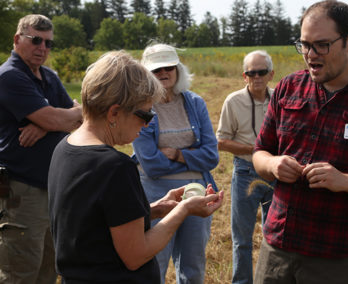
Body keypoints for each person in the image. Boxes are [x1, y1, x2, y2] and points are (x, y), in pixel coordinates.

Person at [252, 1, 348, 283]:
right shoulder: (288, 88)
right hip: (276, 252)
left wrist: (345, 181)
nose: (310, 55)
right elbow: (260, 152)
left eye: (321, 45)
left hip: (335, 260)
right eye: (304, 45)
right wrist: (273, 164)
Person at [47, 50, 224, 284]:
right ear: (114, 113)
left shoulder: (65, 147)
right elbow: (135, 255)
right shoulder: (115, 167)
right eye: (145, 114)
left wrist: (158, 209)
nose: (149, 122)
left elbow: (100, 222)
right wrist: (184, 210)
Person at [0, 14, 82, 283]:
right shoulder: (10, 76)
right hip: (21, 191)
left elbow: (81, 115)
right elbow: (65, 117)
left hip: (53, 187)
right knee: (20, 270)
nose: (43, 48)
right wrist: (51, 119)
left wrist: (45, 124)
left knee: (49, 267)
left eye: (48, 43)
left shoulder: (48, 76)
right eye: (36, 40)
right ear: (17, 40)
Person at [132, 43, 219, 284]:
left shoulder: (195, 102)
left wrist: (175, 154)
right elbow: (150, 164)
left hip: (196, 192)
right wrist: (192, 158)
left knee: (193, 266)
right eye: (155, 69)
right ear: (146, 74)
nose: (163, 73)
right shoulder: (140, 108)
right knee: (154, 265)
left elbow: (212, 156)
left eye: (168, 67)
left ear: (178, 69)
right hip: (155, 194)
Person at [216, 50, 275, 284]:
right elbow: (221, 141)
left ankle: (270, 279)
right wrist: (255, 151)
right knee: (242, 238)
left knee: (274, 237)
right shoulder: (233, 101)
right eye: (251, 73)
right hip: (245, 173)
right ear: (244, 76)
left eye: (262, 72)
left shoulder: (281, 98)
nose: (257, 77)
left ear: (271, 74)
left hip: (274, 173)